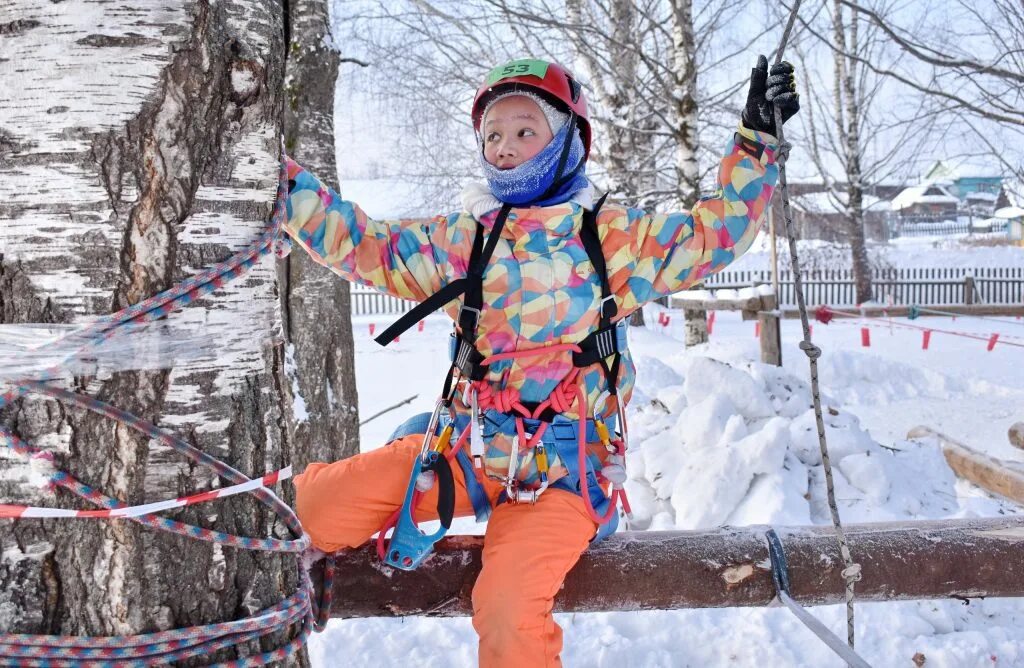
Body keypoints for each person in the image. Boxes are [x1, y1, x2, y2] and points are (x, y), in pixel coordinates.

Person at [280, 55, 798, 667]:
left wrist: (757, 146)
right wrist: (280, 183)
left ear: (569, 140)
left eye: (525, 131)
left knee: (505, 607)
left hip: (564, 478)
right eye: (493, 135)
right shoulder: (464, 240)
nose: (504, 148)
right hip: (468, 453)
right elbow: (367, 246)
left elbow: (715, 235)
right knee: (301, 510)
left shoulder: (612, 239)